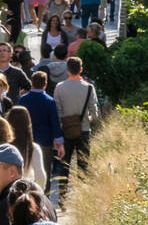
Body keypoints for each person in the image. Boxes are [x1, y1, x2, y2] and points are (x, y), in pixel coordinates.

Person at [53, 56, 102, 204]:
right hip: (84, 130)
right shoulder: (89, 87)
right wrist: (89, 119)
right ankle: (82, 200)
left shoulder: (60, 87)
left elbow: (57, 112)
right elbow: (95, 112)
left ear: (67, 70)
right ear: (81, 70)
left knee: (65, 166)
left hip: (66, 131)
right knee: (83, 166)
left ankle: (62, 198)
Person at [16, 72, 66, 182]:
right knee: (44, 172)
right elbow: (55, 123)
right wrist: (59, 142)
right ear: (45, 84)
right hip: (45, 142)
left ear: (31, 83)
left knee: (25, 171)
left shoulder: (23, 100)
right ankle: (44, 196)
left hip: (25, 142)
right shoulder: (50, 101)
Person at [6, 105, 49, 190]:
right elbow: (40, 177)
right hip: (25, 192)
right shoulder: (33, 148)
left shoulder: (3, 146)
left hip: (5, 192)